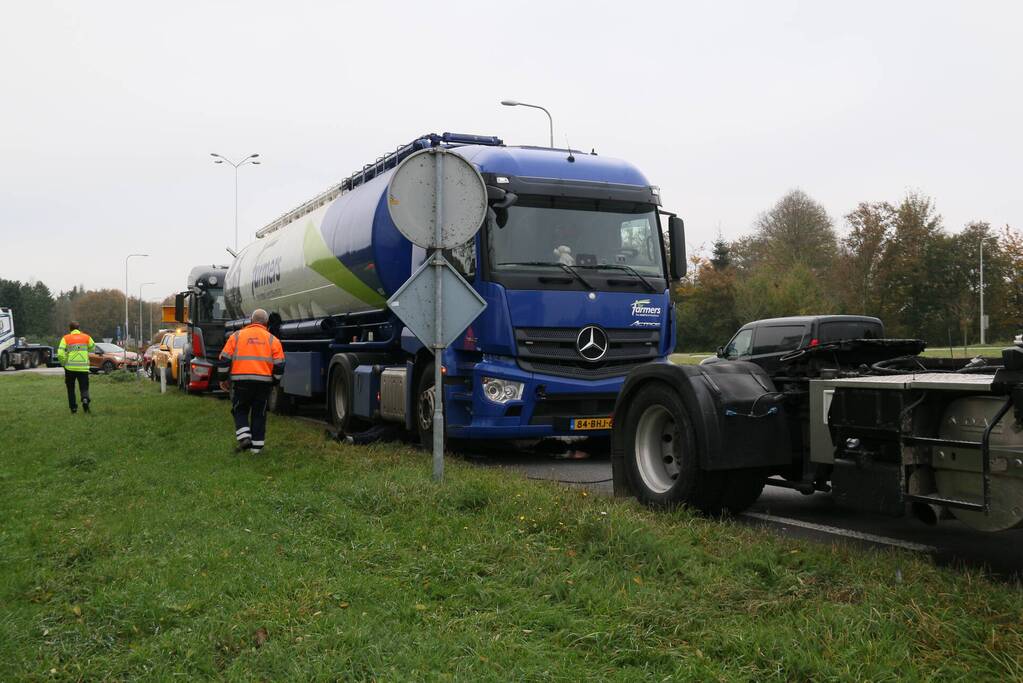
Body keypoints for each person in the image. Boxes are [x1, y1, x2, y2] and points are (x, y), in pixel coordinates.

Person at [218, 308, 285, 454]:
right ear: (266, 323)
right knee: (259, 414)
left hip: (241, 382)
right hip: (263, 383)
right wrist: (274, 381)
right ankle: (256, 449)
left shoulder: (236, 336)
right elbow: (280, 364)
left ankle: (244, 438)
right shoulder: (273, 340)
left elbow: (224, 359)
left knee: (239, 409)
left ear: (251, 321)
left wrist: (223, 379)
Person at [57, 321, 95, 414]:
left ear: (70, 329)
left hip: (70, 368)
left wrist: (64, 363)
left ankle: (73, 409)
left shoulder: (66, 338)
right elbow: (93, 347)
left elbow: (60, 353)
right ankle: (85, 399)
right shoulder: (86, 337)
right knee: (84, 387)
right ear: (79, 328)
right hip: (83, 368)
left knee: (70, 389)